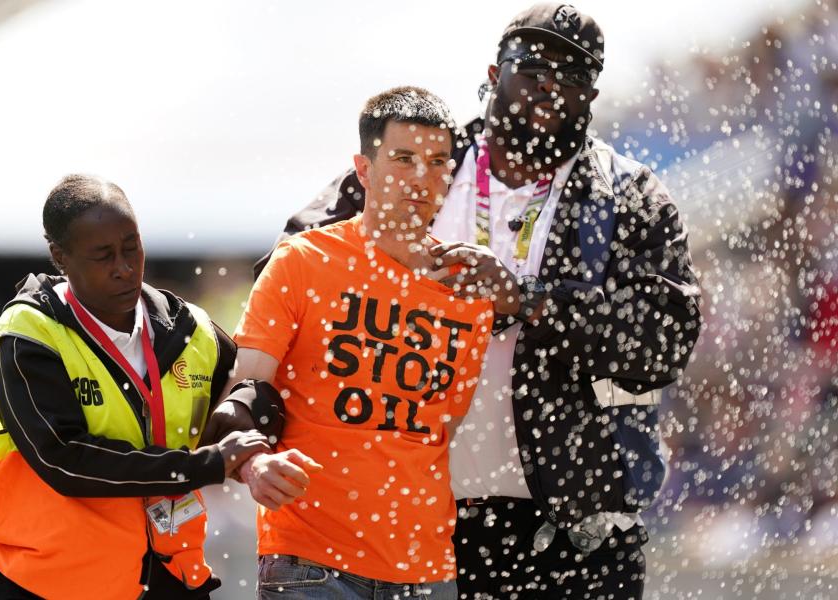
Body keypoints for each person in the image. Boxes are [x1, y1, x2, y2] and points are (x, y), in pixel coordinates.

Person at [254, 4, 702, 599]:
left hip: (582, 532)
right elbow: (290, 271)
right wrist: (402, 285)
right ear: (494, 74)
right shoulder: (420, 159)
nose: (549, 88)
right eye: (533, 68)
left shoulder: (628, 194)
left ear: (591, 96)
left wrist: (530, 301)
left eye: (571, 77)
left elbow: (664, 343)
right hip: (421, 524)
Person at [0, 174, 284, 599]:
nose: (125, 268)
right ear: (60, 256)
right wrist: (207, 463)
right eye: (103, 255)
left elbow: (256, 382)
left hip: (169, 577)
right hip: (38, 584)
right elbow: (64, 462)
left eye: (132, 247)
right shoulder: (27, 338)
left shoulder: (188, 329)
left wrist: (237, 416)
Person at [231, 87, 494, 599]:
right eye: (404, 158)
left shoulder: (468, 292)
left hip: (426, 568)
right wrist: (252, 462)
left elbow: (440, 430)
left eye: (438, 162)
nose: (423, 177)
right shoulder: (302, 261)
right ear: (364, 169)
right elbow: (245, 387)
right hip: (310, 562)